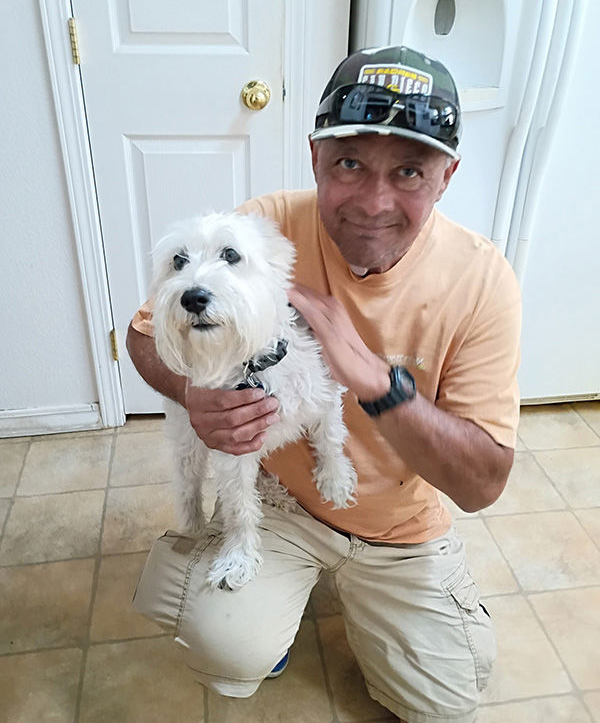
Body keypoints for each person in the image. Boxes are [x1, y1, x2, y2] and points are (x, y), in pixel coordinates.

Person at [127, 45, 521, 723]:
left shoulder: (483, 281)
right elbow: (143, 336)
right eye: (349, 164)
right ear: (315, 158)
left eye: (408, 171)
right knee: (223, 645)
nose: (375, 201)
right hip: (282, 497)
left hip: (400, 526)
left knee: (444, 707)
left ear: (447, 176)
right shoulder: (261, 226)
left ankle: (370, 607)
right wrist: (192, 393)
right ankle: (268, 607)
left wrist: (373, 378)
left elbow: (483, 483)